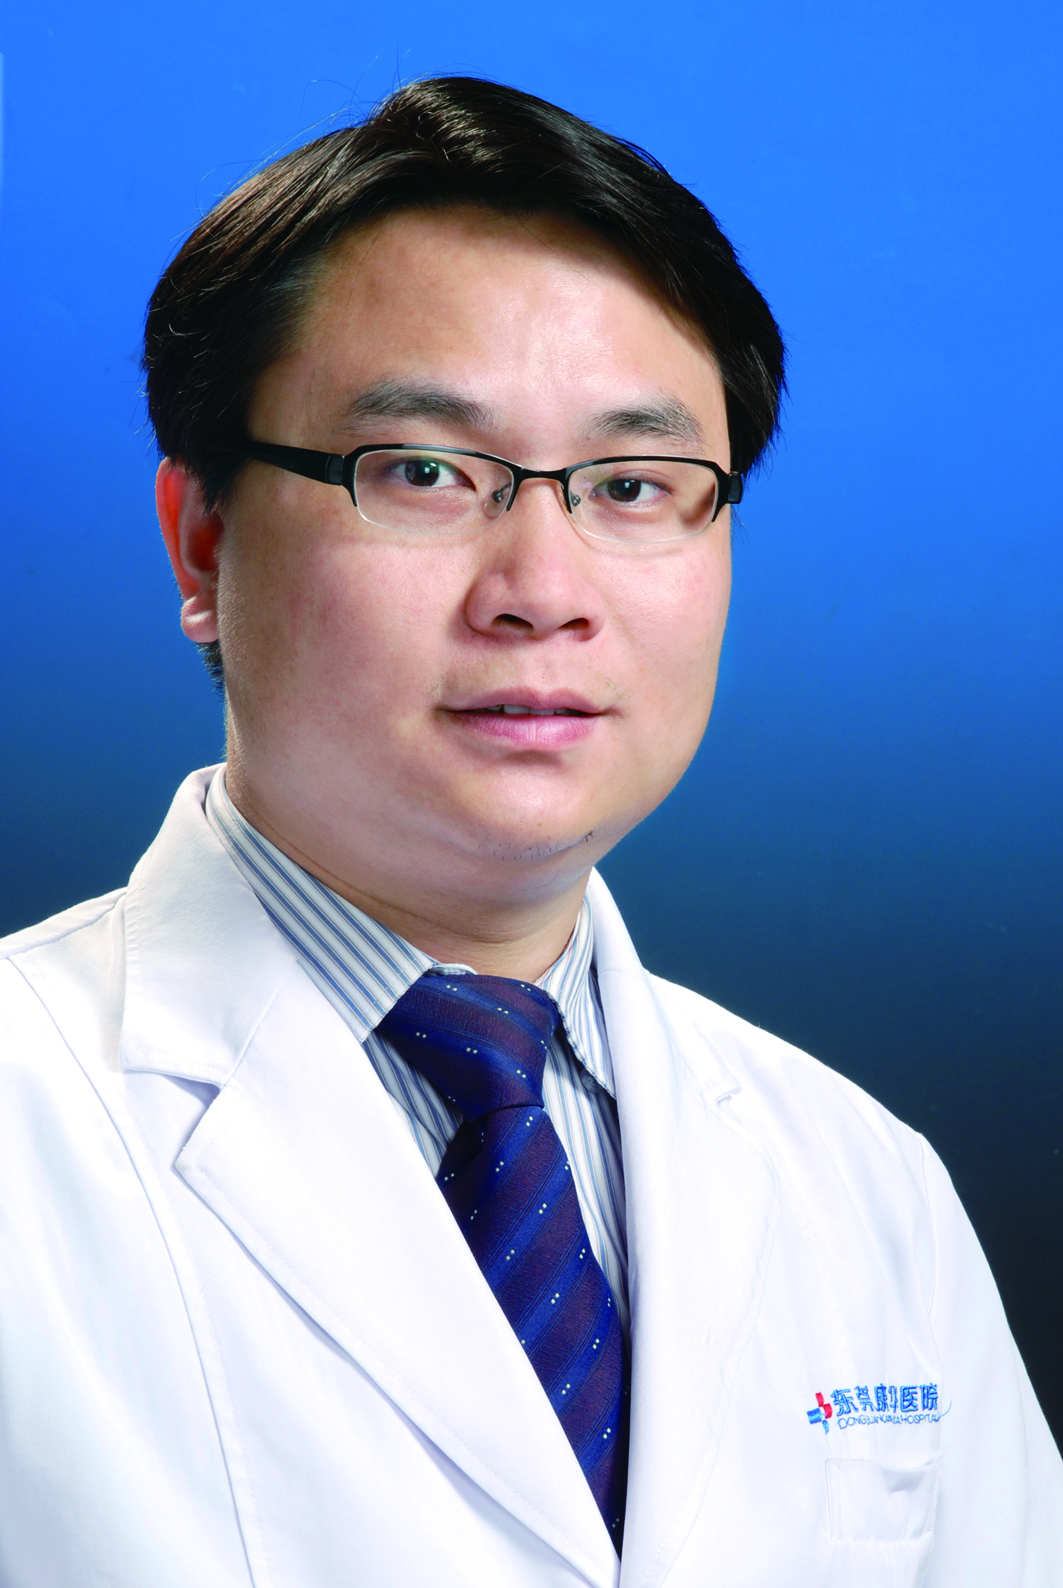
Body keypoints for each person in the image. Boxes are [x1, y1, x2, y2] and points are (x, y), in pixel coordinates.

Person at [0, 76, 1058, 1588]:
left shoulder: (865, 1186)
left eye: (633, 485)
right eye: (424, 472)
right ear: (203, 544)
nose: (542, 591)